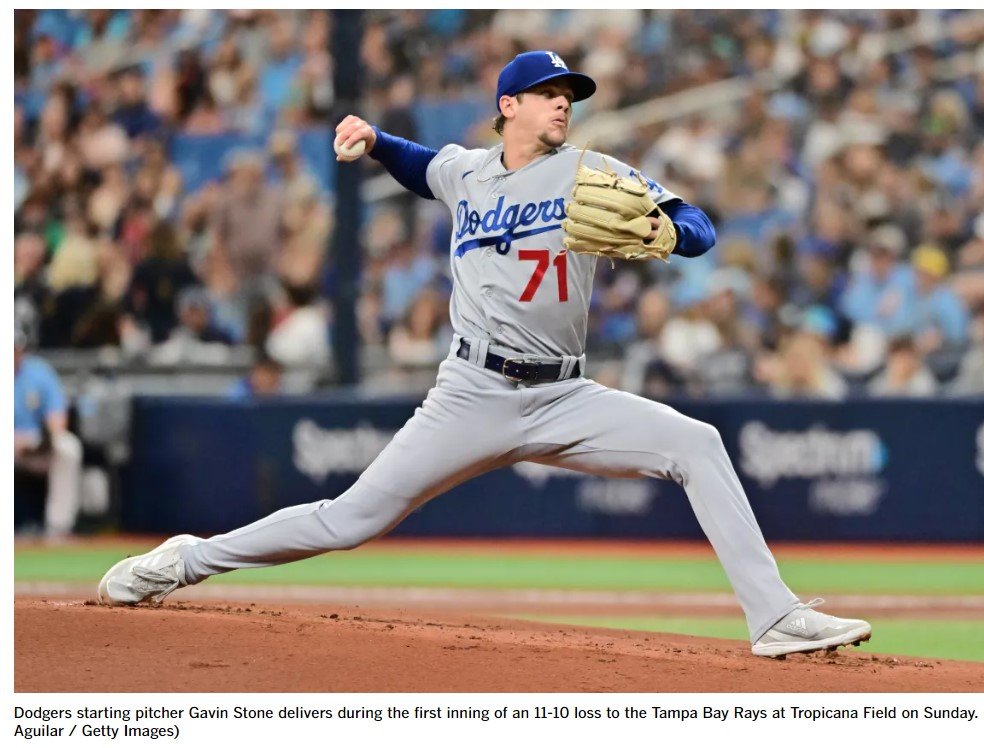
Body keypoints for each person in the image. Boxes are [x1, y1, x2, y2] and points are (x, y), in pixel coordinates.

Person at [98, 50, 870, 659]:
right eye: (548, 91)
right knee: (348, 520)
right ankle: (188, 560)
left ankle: (773, 617)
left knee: (696, 443)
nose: (564, 100)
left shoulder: (589, 171)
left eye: (570, 91)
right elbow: (414, 158)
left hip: (566, 395)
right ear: (510, 106)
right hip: (470, 393)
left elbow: (694, 223)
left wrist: (675, 233)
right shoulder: (466, 172)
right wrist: (371, 141)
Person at [14, 323, 83, 538]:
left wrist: (44, 438)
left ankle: (58, 528)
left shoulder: (39, 371)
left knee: (68, 447)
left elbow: (57, 420)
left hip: (33, 445)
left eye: (16, 348)